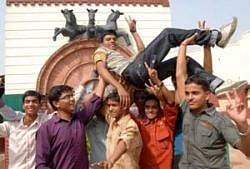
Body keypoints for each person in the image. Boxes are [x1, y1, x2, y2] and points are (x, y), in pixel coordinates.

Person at [93, 16, 238, 108]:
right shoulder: (100, 51)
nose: (112, 41)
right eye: (108, 40)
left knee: (183, 62)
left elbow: (142, 51)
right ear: (102, 42)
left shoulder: (120, 57)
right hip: (132, 74)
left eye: (113, 39)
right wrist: (119, 87)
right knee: (168, 34)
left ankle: (214, 84)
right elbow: (101, 69)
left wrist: (134, 31)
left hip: (140, 75)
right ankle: (215, 37)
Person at [175, 32, 250, 168]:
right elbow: (180, 75)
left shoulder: (219, 120)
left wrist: (243, 125)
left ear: (208, 95)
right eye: (187, 93)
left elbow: (247, 151)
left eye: (195, 93)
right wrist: (184, 45)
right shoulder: (187, 108)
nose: (190, 97)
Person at [35, 77, 105, 169]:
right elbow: (41, 164)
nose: (72, 99)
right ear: (56, 104)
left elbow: (96, 102)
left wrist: (103, 78)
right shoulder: (46, 129)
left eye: (72, 95)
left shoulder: (80, 119)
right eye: (67, 97)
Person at [0, 90, 49, 169]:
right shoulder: (11, 125)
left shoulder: (45, 122)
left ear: (40, 105)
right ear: (23, 105)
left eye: (34, 101)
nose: (31, 104)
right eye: (27, 101)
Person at [94, 91, 142, 169]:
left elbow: (123, 143)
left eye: (114, 105)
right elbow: (92, 104)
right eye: (109, 105)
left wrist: (111, 160)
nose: (110, 109)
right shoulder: (112, 120)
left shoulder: (131, 125)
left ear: (125, 106)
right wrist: (117, 85)